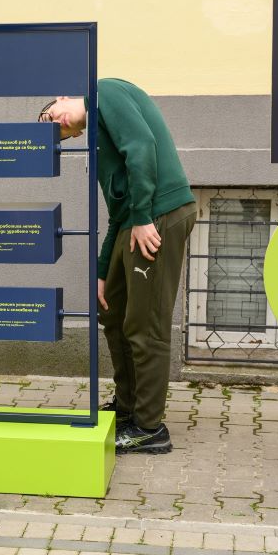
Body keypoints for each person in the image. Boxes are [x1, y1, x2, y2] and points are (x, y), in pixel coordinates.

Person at [39, 79, 196, 454]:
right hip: (135, 221)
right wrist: (101, 271)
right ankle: (127, 408)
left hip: (158, 214)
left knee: (146, 326)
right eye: (55, 132)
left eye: (50, 118)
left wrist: (143, 216)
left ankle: (149, 427)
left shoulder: (103, 92)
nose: (56, 126)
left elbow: (142, 145)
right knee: (113, 313)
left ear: (62, 96)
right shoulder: (97, 142)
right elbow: (116, 214)